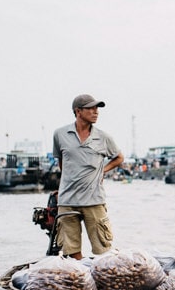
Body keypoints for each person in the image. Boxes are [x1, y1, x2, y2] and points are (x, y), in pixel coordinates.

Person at [52, 94, 125, 260]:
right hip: (67, 201)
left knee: (103, 250)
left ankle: (102, 282)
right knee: (70, 251)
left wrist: (103, 171)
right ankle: (81, 281)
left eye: (97, 108)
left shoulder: (103, 137)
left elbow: (119, 158)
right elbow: (62, 162)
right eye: (91, 108)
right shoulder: (60, 134)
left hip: (94, 200)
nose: (96, 112)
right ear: (78, 111)